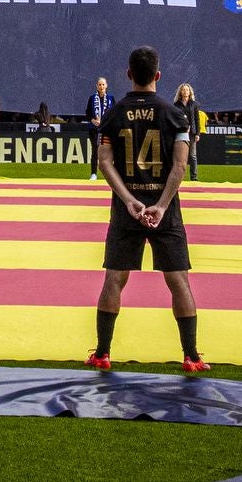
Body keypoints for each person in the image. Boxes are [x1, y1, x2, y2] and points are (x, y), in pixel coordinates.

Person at [86, 44, 204, 373]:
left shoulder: (113, 113)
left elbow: (104, 163)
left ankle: (103, 353)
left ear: (128, 75)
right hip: (165, 209)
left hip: (128, 210)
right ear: (157, 75)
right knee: (178, 280)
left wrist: (129, 200)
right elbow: (180, 167)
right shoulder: (175, 114)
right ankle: (192, 355)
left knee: (114, 279)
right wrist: (162, 206)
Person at [85, 76, 113, 180]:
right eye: (99, 85)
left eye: (103, 84)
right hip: (94, 129)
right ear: (97, 86)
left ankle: (110, 175)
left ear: (106, 86)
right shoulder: (92, 98)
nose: (101, 87)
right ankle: (93, 173)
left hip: (106, 129)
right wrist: (93, 120)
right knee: (95, 150)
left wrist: (106, 122)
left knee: (108, 151)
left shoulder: (111, 99)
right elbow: (87, 113)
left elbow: (114, 113)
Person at [173, 83, 201, 182]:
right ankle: (178, 177)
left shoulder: (194, 104)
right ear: (180, 91)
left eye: (187, 90)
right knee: (180, 157)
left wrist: (198, 133)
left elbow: (197, 120)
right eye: (183, 90)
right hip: (180, 132)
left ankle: (194, 178)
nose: (185, 91)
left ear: (190, 92)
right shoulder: (176, 105)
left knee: (192, 156)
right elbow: (174, 119)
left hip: (192, 133)